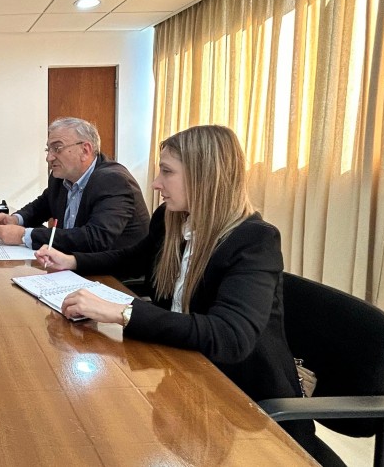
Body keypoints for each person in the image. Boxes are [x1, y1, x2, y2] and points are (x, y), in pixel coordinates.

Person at [35, 125, 315, 451]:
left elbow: (229, 337)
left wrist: (121, 312)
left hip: (245, 407)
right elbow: (132, 258)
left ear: (203, 176)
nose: (155, 183)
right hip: (185, 371)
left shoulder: (254, 241)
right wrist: (73, 261)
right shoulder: (172, 219)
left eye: (166, 172)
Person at [0, 117, 149, 253]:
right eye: (48, 150)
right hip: (73, 265)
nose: (49, 158)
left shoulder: (114, 181)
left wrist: (24, 235)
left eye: (57, 148)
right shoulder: (60, 176)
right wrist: (15, 219)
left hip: (114, 277)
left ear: (85, 150)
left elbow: (96, 238)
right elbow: (41, 206)